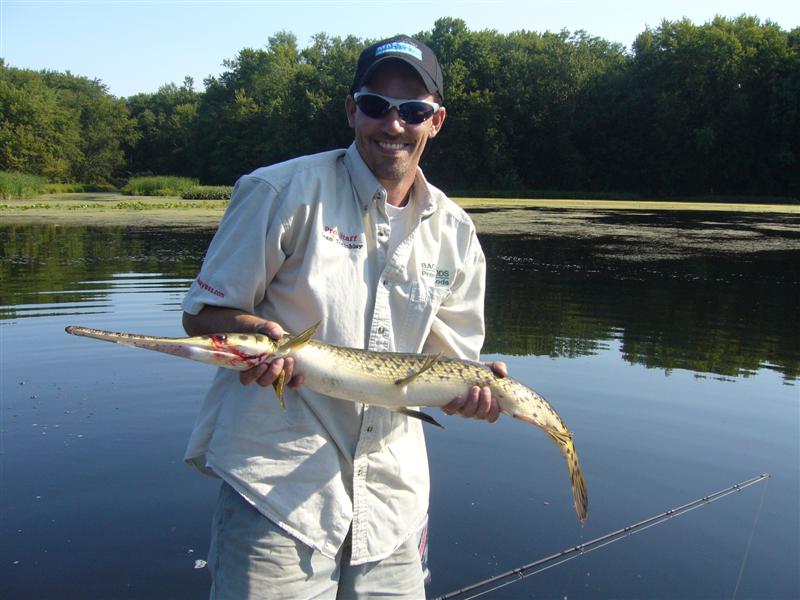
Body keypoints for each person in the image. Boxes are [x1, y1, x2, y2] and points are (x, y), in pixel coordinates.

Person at [181, 34, 506, 599]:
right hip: (276, 493)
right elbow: (204, 315)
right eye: (377, 105)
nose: (393, 124)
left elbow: (450, 364)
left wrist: (471, 395)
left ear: (436, 121)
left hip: (393, 503)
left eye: (413, 111)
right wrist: (255, 333)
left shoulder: (457, 233)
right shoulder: (279, 191)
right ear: (352, 109)